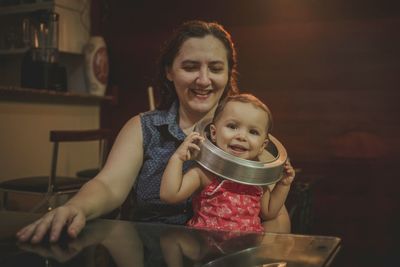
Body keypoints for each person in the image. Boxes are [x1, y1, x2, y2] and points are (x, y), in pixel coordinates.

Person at [16, 20, 292, 244]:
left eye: (216, 68)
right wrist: (75, 207)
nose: (204, 79)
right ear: (169, 71)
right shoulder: (143, 127)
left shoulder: (249, 141)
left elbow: (273, 215)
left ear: (229, 73)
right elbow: (108, 185)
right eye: (190, 66)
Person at [160, 94, 295, 233]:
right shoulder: (204, 174)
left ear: (262, 146)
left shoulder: (256, 182)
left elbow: (269, 212)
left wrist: (283, 185)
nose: (241, 136)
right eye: (232, 126)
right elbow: (169, 195)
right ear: (213, 133)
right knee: (170, 240)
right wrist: (177, 158)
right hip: (203, 245)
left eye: (253, 132)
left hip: (245, 247)